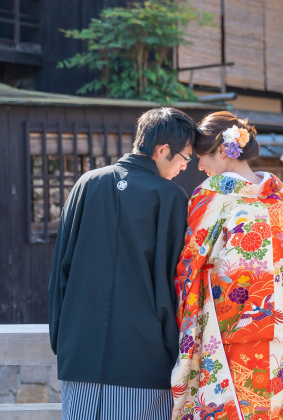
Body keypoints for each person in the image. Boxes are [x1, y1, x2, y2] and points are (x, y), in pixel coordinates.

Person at [49, 107, 196, 420]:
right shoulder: (170, 197)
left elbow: (61, 269)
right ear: (162, 150)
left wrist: (62, 338)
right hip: (144, 354)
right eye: (184, 157)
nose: (185, 166)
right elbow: (177, 283)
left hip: (80, 349)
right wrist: (175, 349)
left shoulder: (87, 184)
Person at [171, 111, 283, 420]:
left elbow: (190, 261)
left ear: (223, 151)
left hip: (226, 328)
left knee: (227, 407)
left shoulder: (212, 194)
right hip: (279, 326)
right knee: (271, 409)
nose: (199, 166)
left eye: (202, 157)